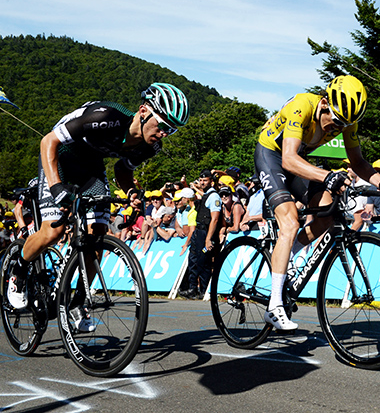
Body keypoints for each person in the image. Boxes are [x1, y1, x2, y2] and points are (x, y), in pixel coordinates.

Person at [6, 83, 189, 331]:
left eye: (173, 130)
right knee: (53, 231)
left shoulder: (150, 145)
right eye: (163, 125)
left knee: (98, 233)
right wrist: (57, 187)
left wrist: (132, 192)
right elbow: (48, 141)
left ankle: (77, 302)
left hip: (90, 168)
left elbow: (122, 169)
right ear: (144, 111)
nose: (165, 133)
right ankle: (18, 271)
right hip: (59, 156)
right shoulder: (107, 117)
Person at [254, 75, 380, 330]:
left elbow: (358, 163)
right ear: (323, 103)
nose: (338, 128)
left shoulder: (347, 122)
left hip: (298, 159)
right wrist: (328, 175)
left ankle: (288, 254)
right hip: (272, 155)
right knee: (289, 222)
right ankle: (274, 306)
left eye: (345, 124)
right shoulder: (302, 105)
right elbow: (287, 159)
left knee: (328, 216)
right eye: (336, 120)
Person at [180, 171, 222, 299]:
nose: (202, 182)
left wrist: (208, 239)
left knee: (203, 262)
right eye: (201, 180)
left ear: (211, 182)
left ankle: (204, 290)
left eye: (205, 180)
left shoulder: (214, 197)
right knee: (193, 260)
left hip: (205, 233)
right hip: (198, 232)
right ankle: (193, 288)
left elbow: (214, 219)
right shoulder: (206, 195)